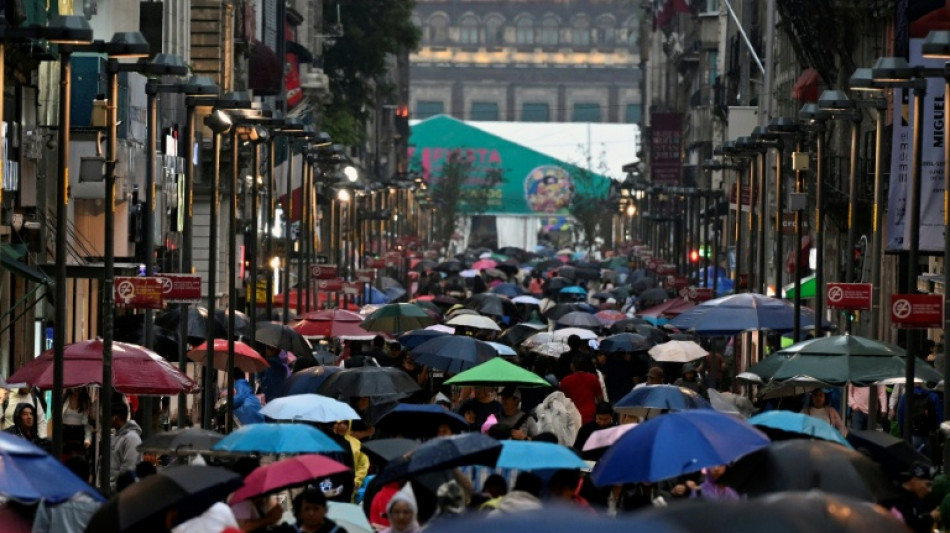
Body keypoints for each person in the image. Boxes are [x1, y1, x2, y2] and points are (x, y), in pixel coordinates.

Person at [885, 461, 938, 533]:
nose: (929, 490)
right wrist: (930, 518)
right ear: (914, 480)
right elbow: (904, 524)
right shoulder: (892, 496)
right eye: (927, 484)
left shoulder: (918, 502)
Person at [560, 355, 603, 424]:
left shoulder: (565, 381)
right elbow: (600, 398)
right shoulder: (593, 378)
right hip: (591, 414)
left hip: (573, 416)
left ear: (572, 366)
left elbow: (563, 400)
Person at [110, 401, 143, 490]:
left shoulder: (132, 438)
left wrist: (116, 488)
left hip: (119, 491)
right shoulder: (114, 436)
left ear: (115, 418)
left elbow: (129, 468)